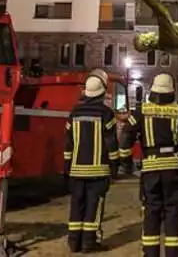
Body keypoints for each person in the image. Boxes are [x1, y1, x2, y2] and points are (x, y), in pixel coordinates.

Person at [119, 73, 178, 257]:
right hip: (174, 169)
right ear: (172, 92)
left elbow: (125, 139)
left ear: (152, 90)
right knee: (173, 212)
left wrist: (126, 163)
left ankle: (151, 253)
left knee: (151, 212)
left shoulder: (140, 111)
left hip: (151, 170)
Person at [64, 69, 120, 253]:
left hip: (76, 170)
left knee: (77, 204)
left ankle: (74, 242)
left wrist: (67, 166)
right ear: (102, 92)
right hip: (99, 170)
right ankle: (89, 242)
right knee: (94, 206)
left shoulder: (74, 112)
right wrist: (115, 165)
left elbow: (68, 143)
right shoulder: (106, 113)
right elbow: (111, 142)